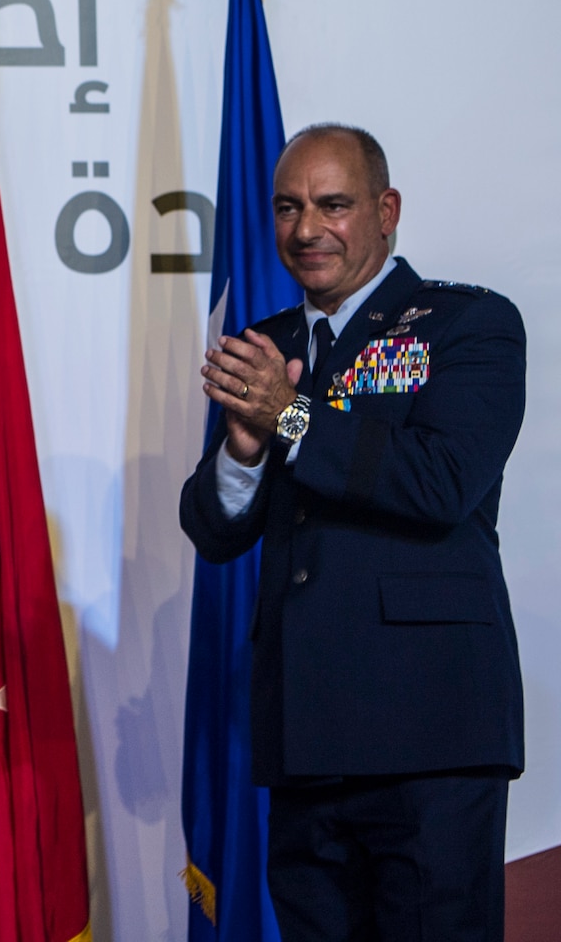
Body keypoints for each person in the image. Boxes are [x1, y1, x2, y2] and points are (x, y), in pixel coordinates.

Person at [181, 124, 526, 940]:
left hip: (429, 737)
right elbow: (216, 529)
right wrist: (242, 448)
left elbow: (439, 483)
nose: (307, 230)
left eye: (333, 205)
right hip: (305, 737)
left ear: (385, 209)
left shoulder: (467, 325)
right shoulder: (266, 347)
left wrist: (290, 415)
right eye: (288, 208)